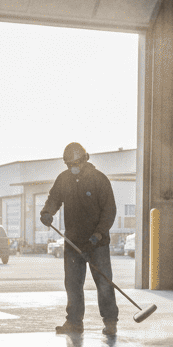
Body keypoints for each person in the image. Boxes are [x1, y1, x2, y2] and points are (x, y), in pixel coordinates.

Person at [40, 142, 118, 335]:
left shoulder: (99, 180)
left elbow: (109, 211)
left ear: (84, 159)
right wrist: (47, 212)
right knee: (73, 284)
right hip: (73, 242)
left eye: (75, 162)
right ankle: (74, 322)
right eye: (69, 164)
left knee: (104, 283)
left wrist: (98, 234)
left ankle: (110, 322)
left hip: (97, 243)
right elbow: (53, 198)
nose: (72, 167)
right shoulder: (64, 179)